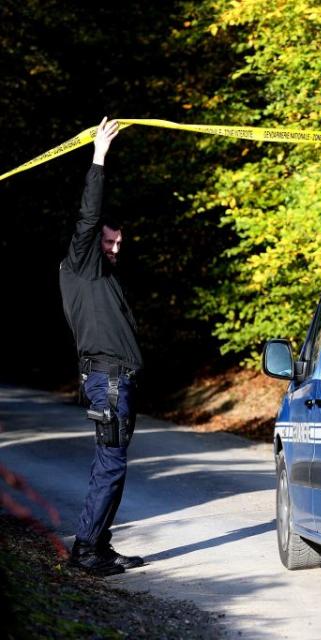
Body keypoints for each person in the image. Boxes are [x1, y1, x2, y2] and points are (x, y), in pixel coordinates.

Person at [60, 117, 145, 576]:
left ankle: (100, 544)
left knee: (114, 466)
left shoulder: (102, 276)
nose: (114, 248)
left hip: (117, 380)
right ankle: (86, 551)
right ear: (94, 243)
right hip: (107, 382)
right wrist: (98, 157)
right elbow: (88, 217)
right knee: (110, 466)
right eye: (108, 241)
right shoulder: (82, 265)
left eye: (119, 242)